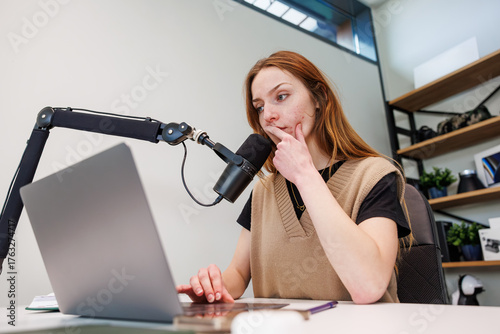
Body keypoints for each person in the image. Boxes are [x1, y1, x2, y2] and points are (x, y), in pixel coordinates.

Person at [176, 50, 411, 304]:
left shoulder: (374, 175)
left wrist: (305, 175)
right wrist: (214, 287)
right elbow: (239, 273)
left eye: (281, 96)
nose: (268, 116)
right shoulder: (263, 191)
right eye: (260, 107)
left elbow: (368, 286)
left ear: (318, 97)